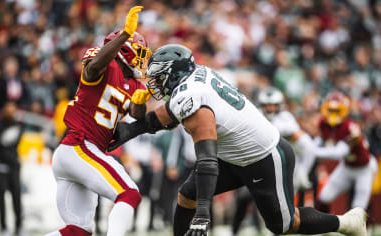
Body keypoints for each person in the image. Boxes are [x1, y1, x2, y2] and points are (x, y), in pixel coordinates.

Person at [108, 44, 368, 236]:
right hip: (233, 154)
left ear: (174, 75)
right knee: (187, 194)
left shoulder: (191, 101)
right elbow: (166, 115)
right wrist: (131, 130)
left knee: (284, 225)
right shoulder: (196, 78)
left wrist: (202, 216)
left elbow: (207, 161)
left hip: (263, 156)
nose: (154, 83)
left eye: (159, 77)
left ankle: (347, 223)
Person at [45, 6, 153, 236]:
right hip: (80, 145)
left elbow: (137, 115)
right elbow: (93, 69)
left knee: (79, 231)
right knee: (129, 193)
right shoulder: (105, 64)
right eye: (139, 50)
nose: (142, 57)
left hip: (79, 152)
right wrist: (125, 34)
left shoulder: (134, 84)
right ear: (124, 49)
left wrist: (141, 101)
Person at [316, 92, 378, 211]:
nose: (333, 114)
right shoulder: (323, 124)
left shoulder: (350, 126)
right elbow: (319, 140)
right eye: (331, 110)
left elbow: (340, 152)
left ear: (344, 110)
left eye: (337, 110)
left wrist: (313, 151)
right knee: (324, 197)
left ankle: (366, 227)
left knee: (358, 208)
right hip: (346, 166)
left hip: (364, 168)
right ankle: (321, 225)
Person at [0, 101, 24, 236]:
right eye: (8, 108)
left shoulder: (19, 126)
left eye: (13, 109)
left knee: (17, 197)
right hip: (1, 165)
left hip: (14, 165)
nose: (11, 111)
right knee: (2, 198)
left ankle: (19, 226)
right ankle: (3, 226)